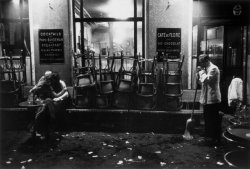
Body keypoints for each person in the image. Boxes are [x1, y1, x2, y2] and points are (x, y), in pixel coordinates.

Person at [29, 71, 70, 140]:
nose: (49, 79)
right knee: (43, 110)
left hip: (48, 103)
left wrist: (62, 93)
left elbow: (57, 95)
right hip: (43, 102)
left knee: (44, 109)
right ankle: (39, 129)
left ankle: (38, 130)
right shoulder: (44, 84)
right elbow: (33, 91)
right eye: (47, 77)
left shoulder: (52, 84)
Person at [197, 54, 222, 145]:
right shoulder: (205, 69)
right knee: (207, 119)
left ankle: (216, 138)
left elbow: (207, 80)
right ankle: (208, 137)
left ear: (206, 61)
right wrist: (198, 76)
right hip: (206, 99)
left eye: (201, 62)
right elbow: (202, 83)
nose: (200, 64)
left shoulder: (213, 69)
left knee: (214, 119)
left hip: (213, 99)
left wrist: (201, 72)